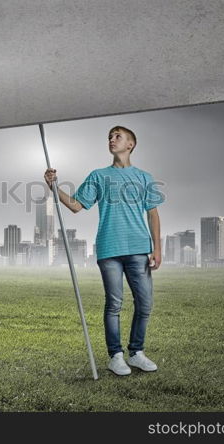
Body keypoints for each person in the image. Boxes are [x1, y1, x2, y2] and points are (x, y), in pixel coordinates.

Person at [43, 125, 163, 376]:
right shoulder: (98, 176)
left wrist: (157, 249)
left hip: (139, 248)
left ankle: (137, 353)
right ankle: (115, 356)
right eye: (110, 136)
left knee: (145, 304)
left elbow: (153, 214)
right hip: (109, 248)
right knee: (114, 304)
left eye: (118, 136)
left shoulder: (145, 177)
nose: (112, 139)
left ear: (130, 144)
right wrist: (54, 186)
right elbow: (76, 206)